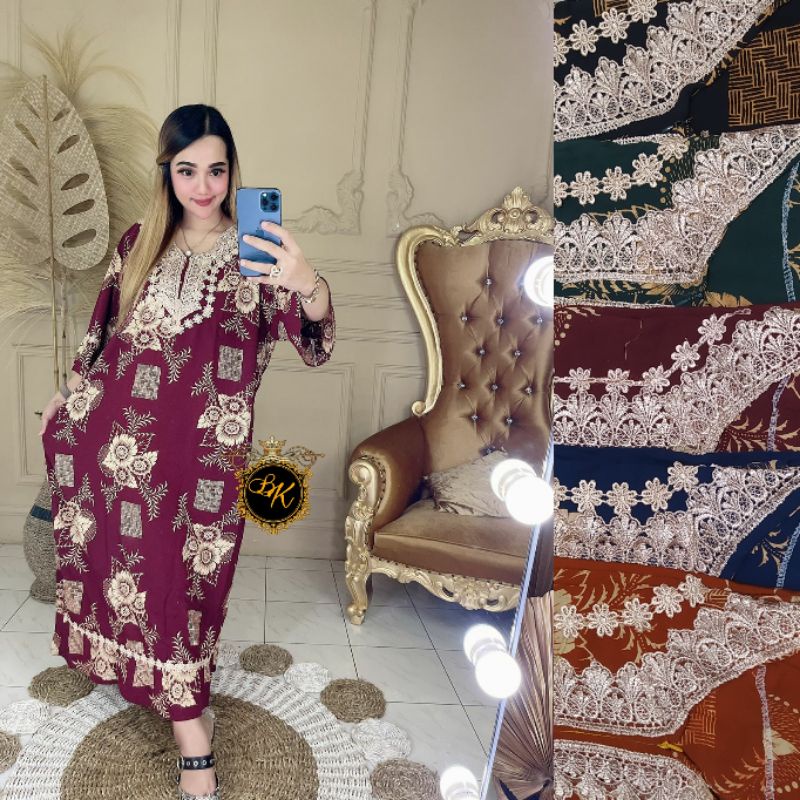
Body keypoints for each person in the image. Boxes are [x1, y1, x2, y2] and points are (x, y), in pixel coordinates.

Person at [38, 104, 335, 800]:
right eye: (187, 170)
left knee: (185, 582)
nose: (203, 187)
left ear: (233, 174)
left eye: (216, 170)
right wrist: (68, 393)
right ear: (167, 174)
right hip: (120, 445)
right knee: (125, 565)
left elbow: (314, 344)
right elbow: (103, 334)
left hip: (204, 458)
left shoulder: (260, 255)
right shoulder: (140, 241)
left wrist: (307, 282)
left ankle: (189, 720)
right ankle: (171, 711)